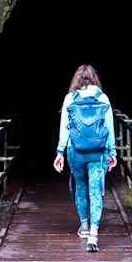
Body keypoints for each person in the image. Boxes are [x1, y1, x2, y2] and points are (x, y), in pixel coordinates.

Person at [53, 64, 117, 252]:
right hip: (99, 151)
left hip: (75, 150)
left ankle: (84, 226)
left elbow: (64, 128)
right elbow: (110, 129)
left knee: (81, 186)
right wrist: (112, 153)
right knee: (95, 189)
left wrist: (59, 152)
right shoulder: (102, 98)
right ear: (95, 79)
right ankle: (94, 234)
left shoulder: (69, 99)